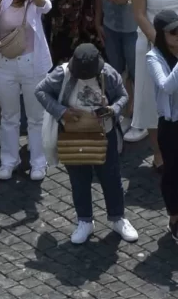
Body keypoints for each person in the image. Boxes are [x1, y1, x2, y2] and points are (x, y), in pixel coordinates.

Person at [39, 41, 139, 245]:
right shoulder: (62, 73)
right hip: (73, 135)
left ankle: (118, 218)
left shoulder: (108, 74)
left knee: (111, 178)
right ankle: (84, 221)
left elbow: (123, 96)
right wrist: (62, 112)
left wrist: (112, 110)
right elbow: (41, 91)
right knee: (79, 180)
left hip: (105, 134)